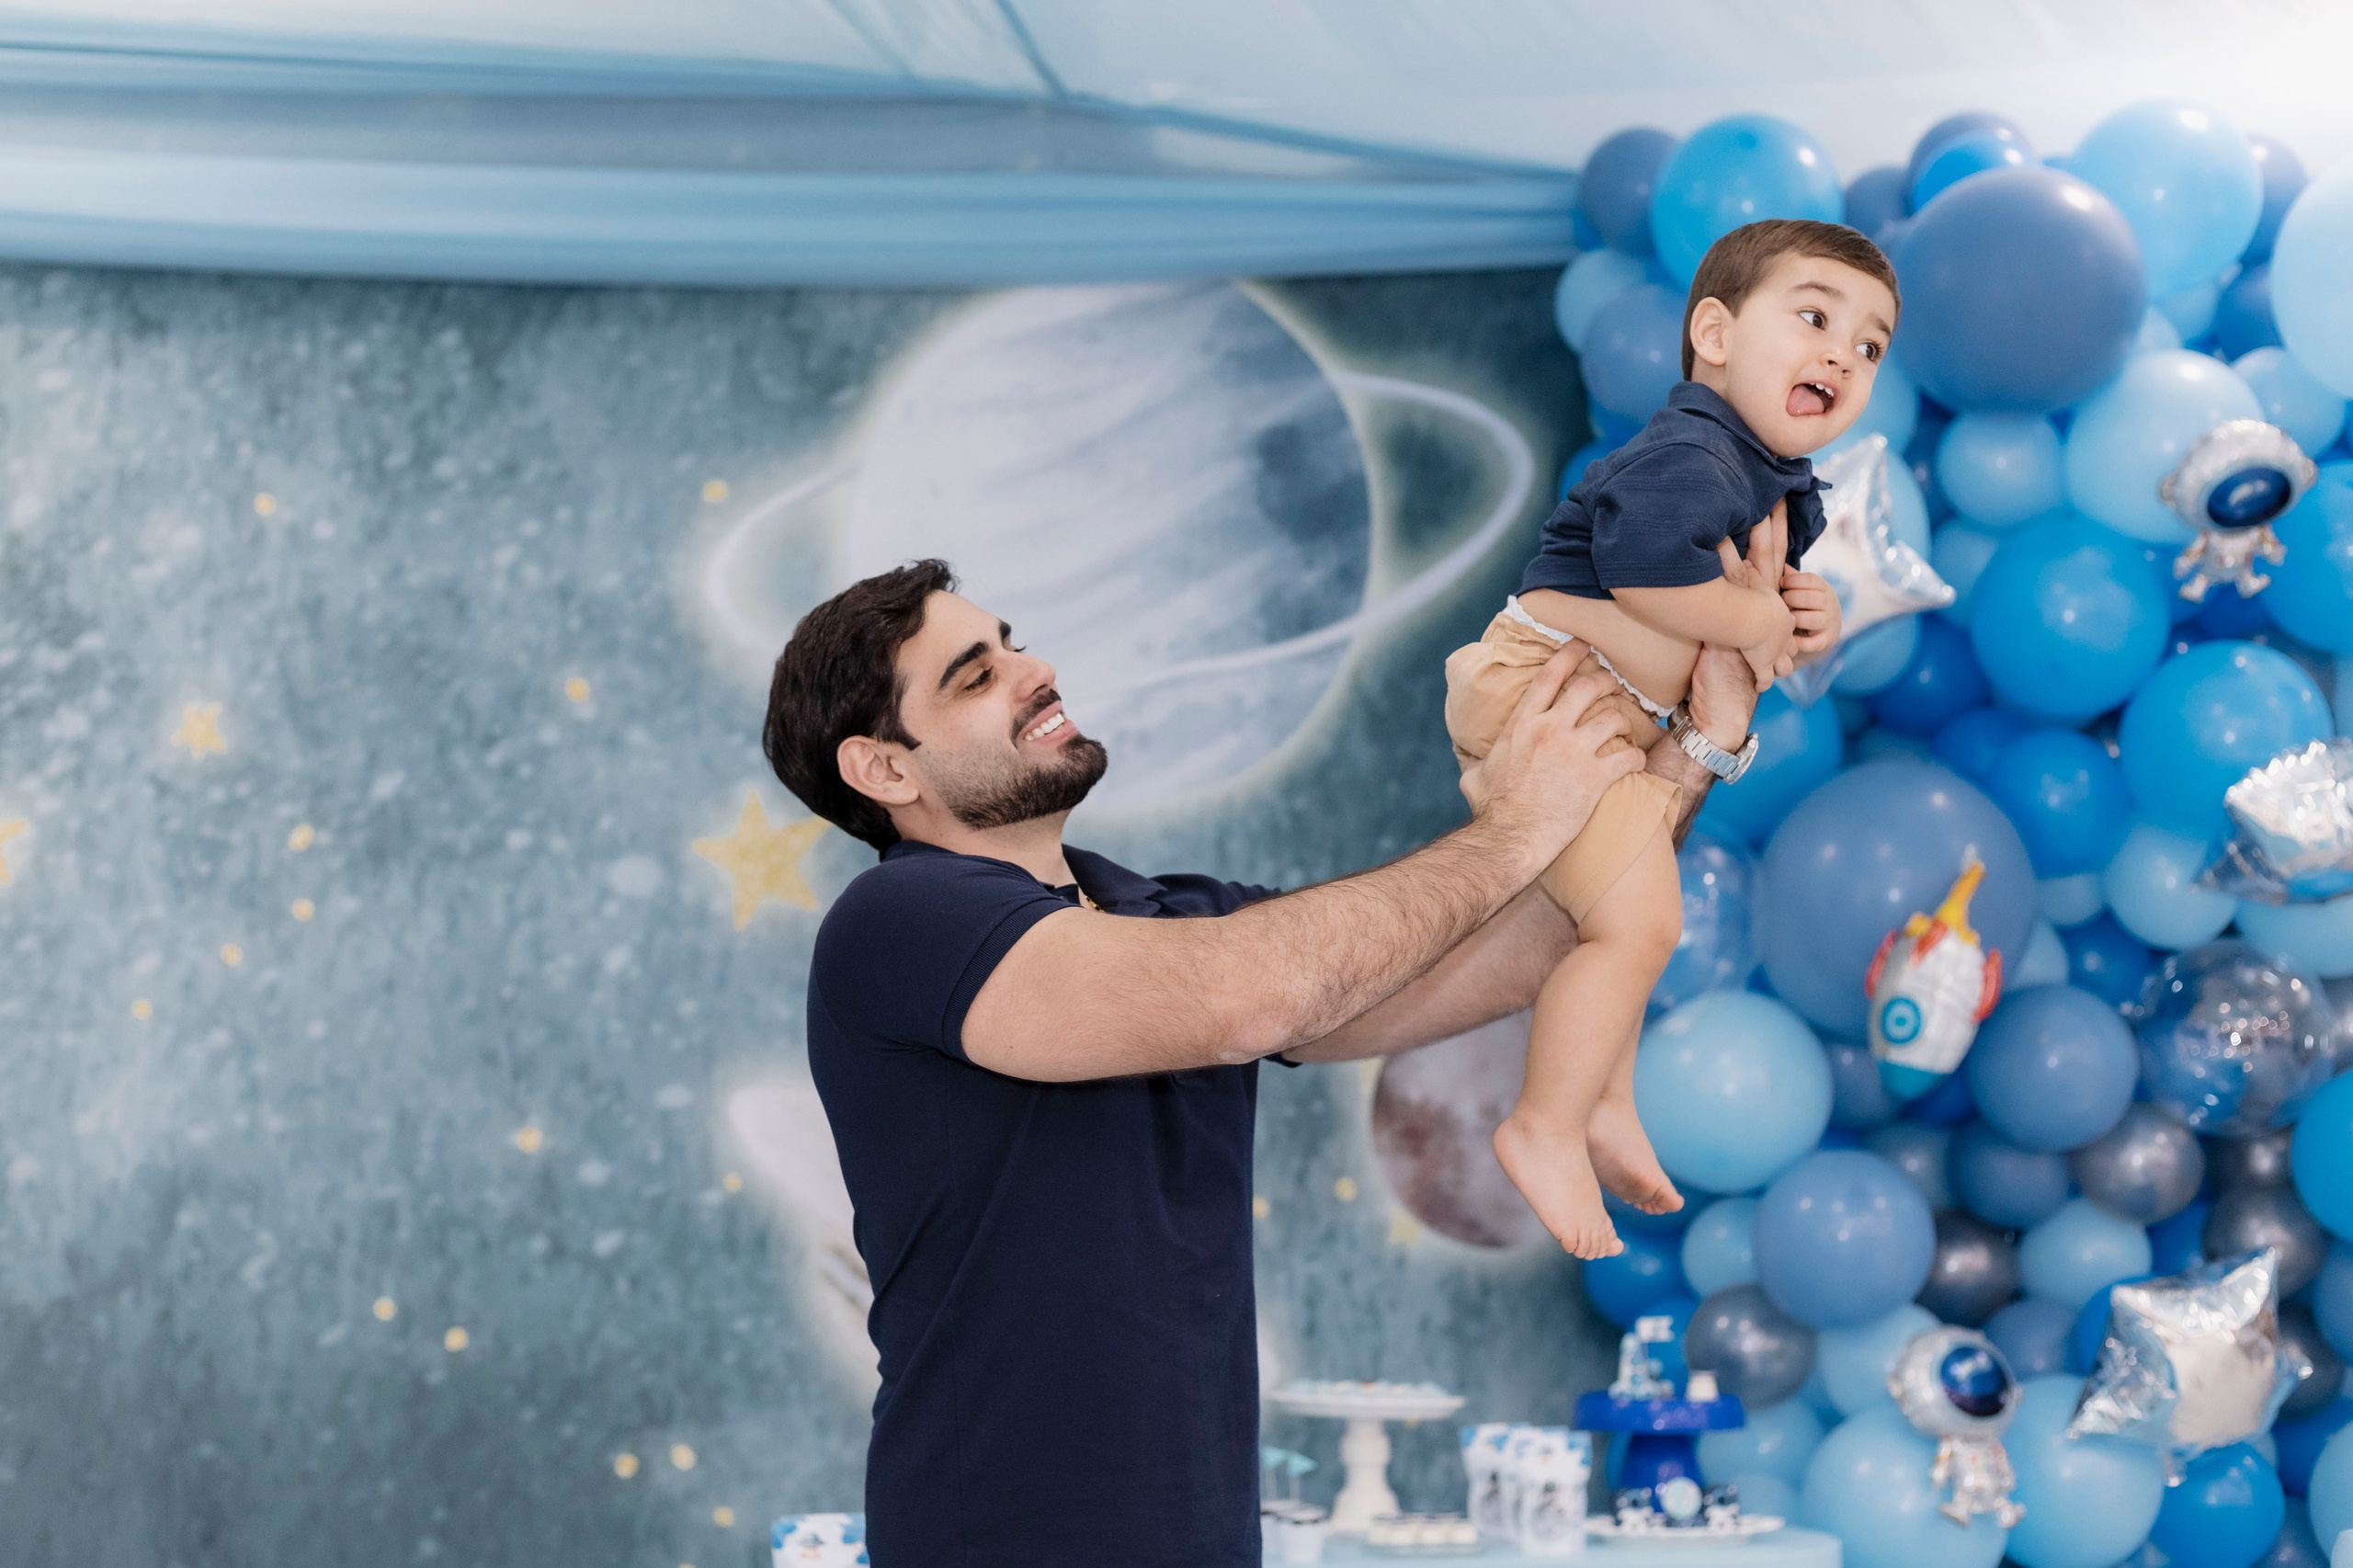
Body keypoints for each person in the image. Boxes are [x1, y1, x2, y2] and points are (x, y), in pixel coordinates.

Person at [761, 543, 1774, 1567]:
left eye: (1012, 644)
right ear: (884, 768)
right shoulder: (897, 919)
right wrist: (1519, 823)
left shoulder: (1168, 917)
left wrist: (1700, 737)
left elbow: (1529, 943)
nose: (1036, 670)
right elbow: (1244, 997)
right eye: (975, 676)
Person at [1442, 219, 1893, 1259]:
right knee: (1638, 925)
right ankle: (1543, 1121)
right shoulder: (1691, 451)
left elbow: (1759, 610)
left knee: (1636, 921)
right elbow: (1649, 574)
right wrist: (1754, 623)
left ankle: (1601, 1100)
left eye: (1868, 347)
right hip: (1543, 688)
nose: (1841, 354)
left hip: (1620, 718)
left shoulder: (1770, 480)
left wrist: (1802, 610)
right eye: (1815, 317)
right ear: (1715, 334)